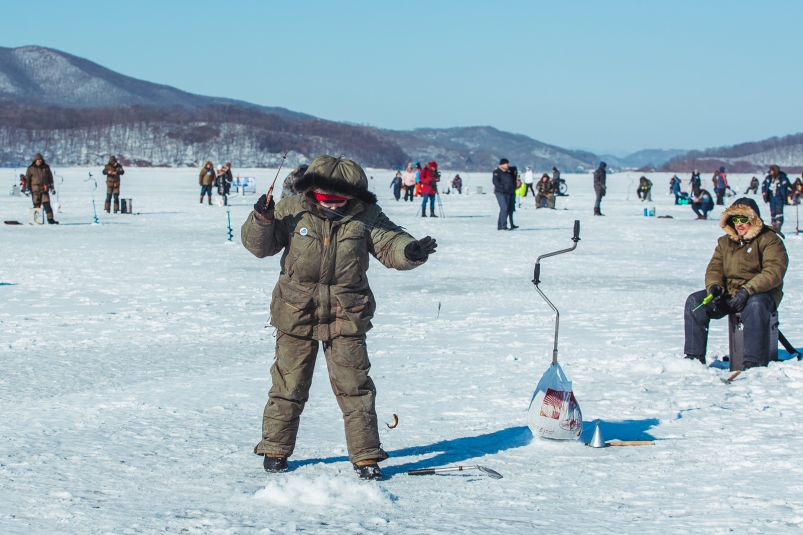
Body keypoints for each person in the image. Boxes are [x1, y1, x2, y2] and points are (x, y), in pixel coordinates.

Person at [240, 154, 436, 481]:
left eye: (341, 197)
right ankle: (275, 449)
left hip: (348, 313)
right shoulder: (291, 208)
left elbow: (391, 242)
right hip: (295, 311)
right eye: (326, 195)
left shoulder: (365, 214)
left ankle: (366, 455)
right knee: (288, 384)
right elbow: (259, 247)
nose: (333, 202)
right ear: (312, 189)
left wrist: (409, 252)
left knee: (355, 386)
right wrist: (261, 219)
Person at [684, 197, 788, 368]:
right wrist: (715, 287)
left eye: (743, 219)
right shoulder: (724, 242)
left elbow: (773, 272)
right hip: (730, 293)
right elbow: (714, 268)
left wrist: (747, 291)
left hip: (761, 294)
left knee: (755, 306)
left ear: (753, 220)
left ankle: (753, 362)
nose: (739, 224)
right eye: (735, 219)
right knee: (695, 302)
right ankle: (694, 359)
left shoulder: (770, 240)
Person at [24, 152, 58, 224]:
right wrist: (27, 188)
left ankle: (50, 219)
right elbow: (27, 179)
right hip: (35, 190)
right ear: (35, 161)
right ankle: (36, 220)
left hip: (44, 190)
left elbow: (50, 178)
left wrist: (52, 187)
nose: (39, 162)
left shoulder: (46, 168)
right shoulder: (31, 168)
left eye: (40, 160)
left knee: (47, 205)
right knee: (36, 205)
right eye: (37, 161)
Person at [762, 165, 792, 231]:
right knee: (773, 212)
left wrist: (788, 194)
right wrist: (764, 192)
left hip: (780, 198)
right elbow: (763, 185)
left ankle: (778, 226)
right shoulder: (768, 178)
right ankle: (773, 226)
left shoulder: (783, 178)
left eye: (772, 170)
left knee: (779, 212)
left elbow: (789, 187)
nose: (770, 172)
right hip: (771, 198)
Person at [492, 159, 517, 230]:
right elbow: (495, 181)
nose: (508, 165)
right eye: (506, 164)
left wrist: (513, 186)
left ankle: (500, 225)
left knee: (505, 209)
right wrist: (502, 187)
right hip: (500, 192)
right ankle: (503, 225)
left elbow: (512, 179)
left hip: (508, 192)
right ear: (502, 164)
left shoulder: (508, 172)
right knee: (504, 208)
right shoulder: (497, 171)